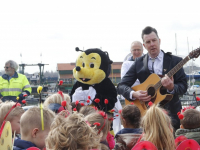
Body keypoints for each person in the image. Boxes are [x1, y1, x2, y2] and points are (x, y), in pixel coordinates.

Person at [117, 26, 187, 130]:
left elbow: (183, 86)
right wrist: (134, 94)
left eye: (154, 40)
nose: (152, 44)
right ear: (144, 45)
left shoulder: (175, 61)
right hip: (146, 116)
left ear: (159, 41)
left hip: (171, 116)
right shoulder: (138, 63)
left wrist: (172, 88)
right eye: (148, 42)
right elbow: (121, 86)